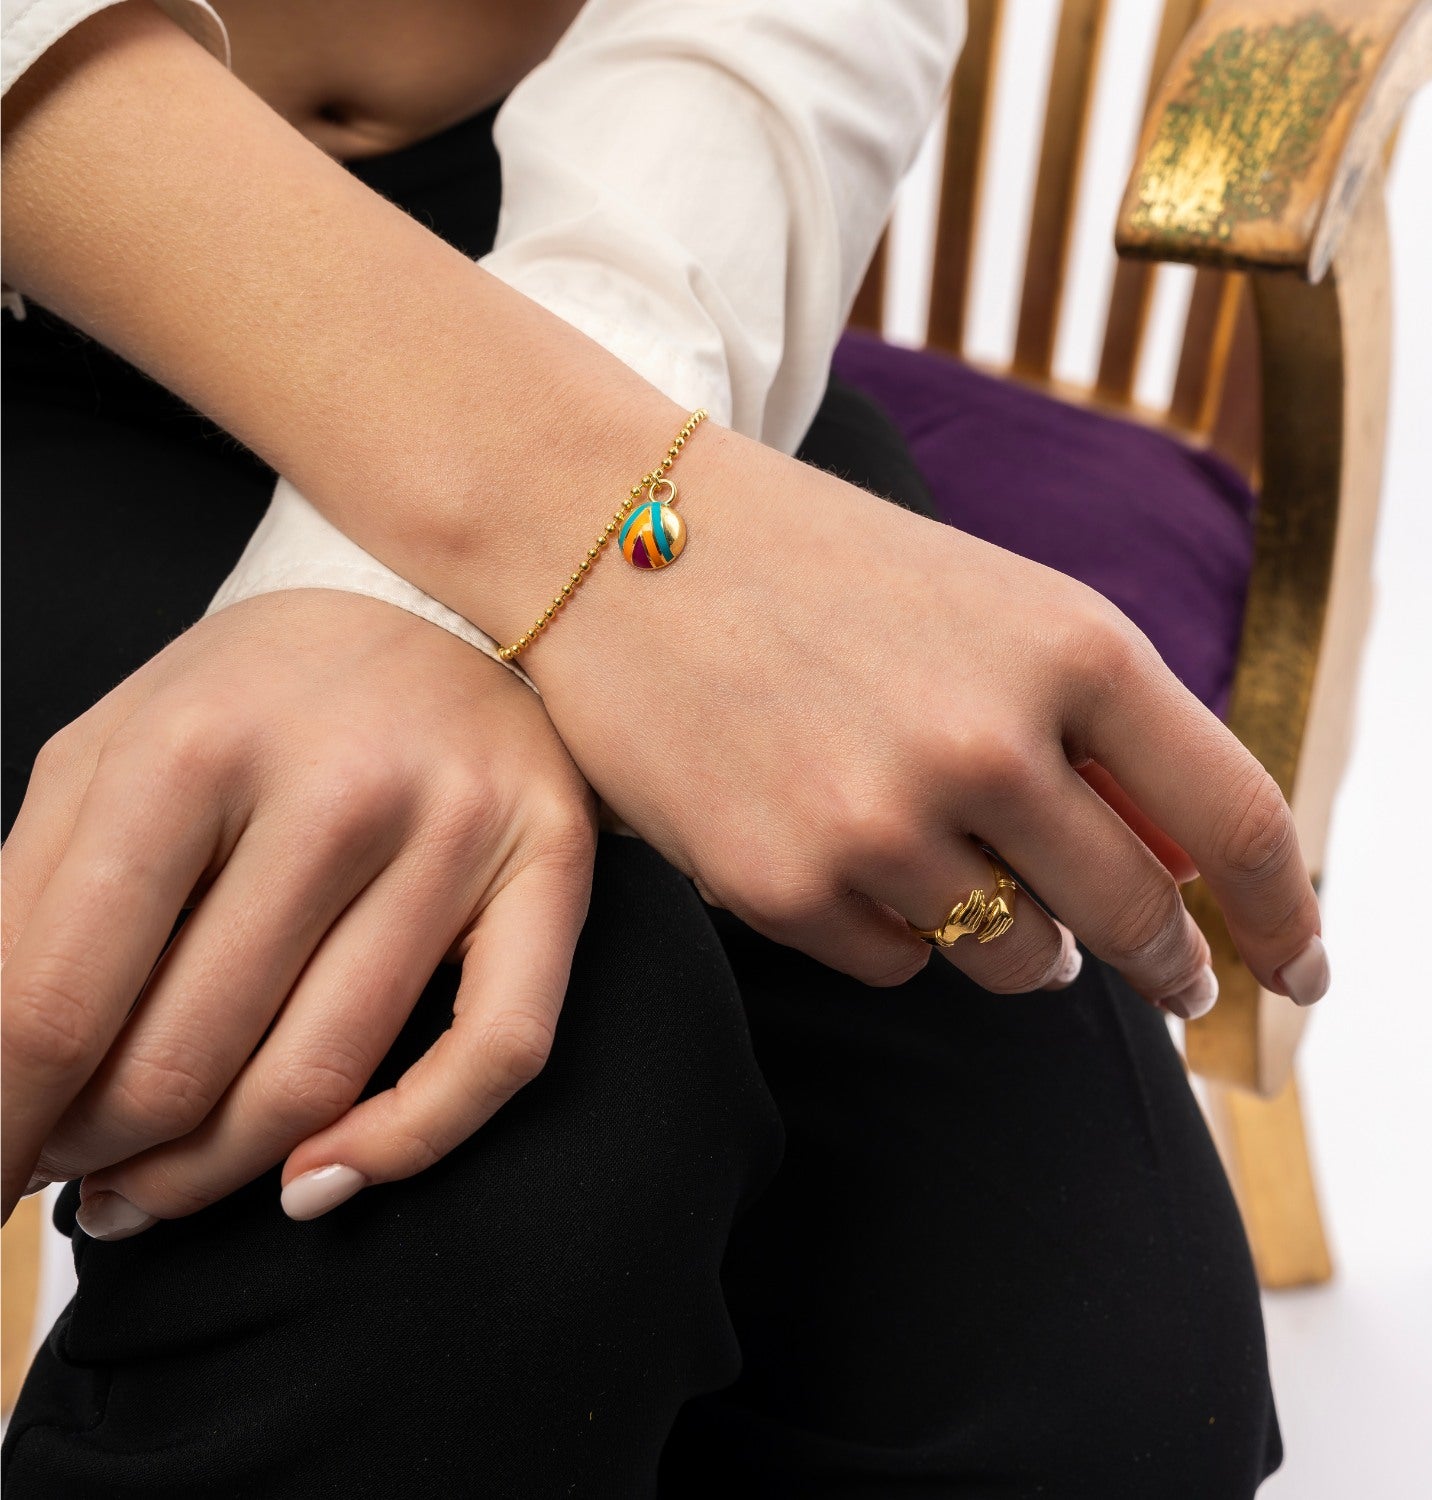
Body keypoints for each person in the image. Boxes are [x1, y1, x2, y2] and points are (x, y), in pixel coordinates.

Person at [0, 1, 1330, 1493]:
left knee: (1101, 1359)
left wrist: (480, 552)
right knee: (487, 1156)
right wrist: (544, 512)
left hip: (601, 254)